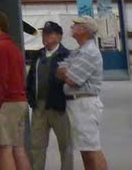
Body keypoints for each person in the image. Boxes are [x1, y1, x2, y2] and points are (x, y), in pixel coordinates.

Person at [0, 10, 32, 170]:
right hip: (18, 102)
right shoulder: (11, 46)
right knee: (18, 148)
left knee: (4, 148)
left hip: (5, 104)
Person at [56, 17, 109, 170]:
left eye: (76, 25)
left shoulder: (89, 52)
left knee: (92, 150)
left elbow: (72, 79)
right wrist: (66, 72)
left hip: (85, 105)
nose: (72, 26)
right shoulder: (79, 51)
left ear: (84, 30)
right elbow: (60, 71)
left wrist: (67, 73)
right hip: (76, 105)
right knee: (85, 151)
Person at [27, 21, 73, 170]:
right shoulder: (38, 55)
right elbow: (30, 78)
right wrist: (31, 100)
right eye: (44, 33)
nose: (45, 36)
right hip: (39, 107)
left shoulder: (67, 56)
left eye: (49, 33)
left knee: (65, 145)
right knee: (36, 145)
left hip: (60, 107)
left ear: (59, 37)